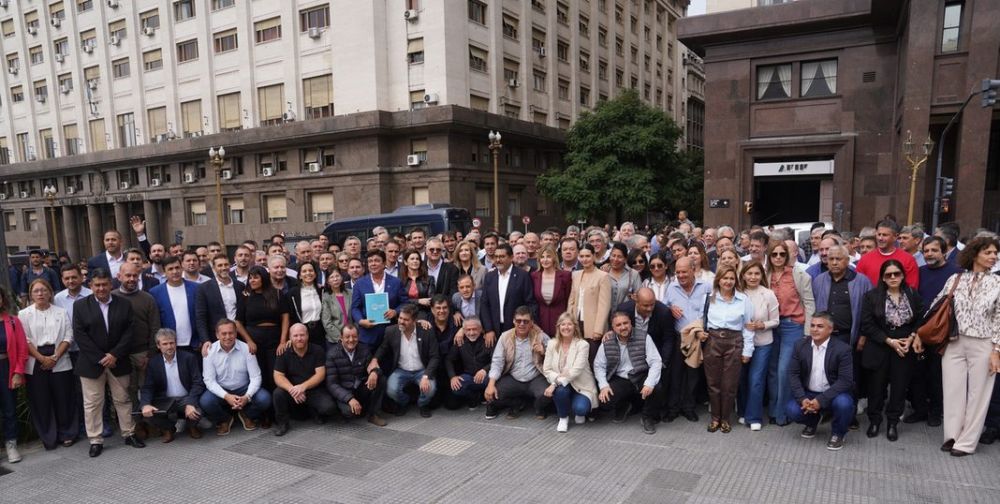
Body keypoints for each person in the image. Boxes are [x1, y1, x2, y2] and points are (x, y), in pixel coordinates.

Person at [927, 236, 1000, 456]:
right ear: (975, 253)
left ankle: (967, 443)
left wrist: (997, 351)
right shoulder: (955, 279)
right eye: (988, 252)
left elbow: (999, 317)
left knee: (979, 395)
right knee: (952, 390)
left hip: (984, 343)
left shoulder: (997, 283)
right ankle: (952, 436)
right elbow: (937, 305)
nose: (993, 256)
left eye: (995, 253)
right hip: (954, 342)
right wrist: (920, 333)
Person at [72, 269, 145, 457]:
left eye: (104, 284)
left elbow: (129, 332)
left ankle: (129, 433)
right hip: (91, 363)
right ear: (91, 286)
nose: (101, 288)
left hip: (118, 362)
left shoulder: (124, 304)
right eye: (97, 285)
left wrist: (114, 354)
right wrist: (100, 357)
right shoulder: (80, 306)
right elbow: (80, 335)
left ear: (111, 284)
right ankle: (95, 440)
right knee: (93, 403)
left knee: (123, 399)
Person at [860, 260, 924, 442]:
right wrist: (889, 341)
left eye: (897, 273)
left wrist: (912, 337)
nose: (893, 277)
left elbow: (921, 318)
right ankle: (874, 421)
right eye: (889, 275)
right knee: (876, 387)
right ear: (883, 277)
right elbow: (867, 324)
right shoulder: (871, 296)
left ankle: (893, 423)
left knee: (899, 387)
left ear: (903, 275)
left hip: (904, 345)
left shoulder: (912, 294)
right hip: (881, 343)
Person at [907, 236, 962, 426]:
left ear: (944, 251)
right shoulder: (919, 271)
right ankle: (920, 409)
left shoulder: (957, 273)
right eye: (926, 251)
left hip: (943, 329)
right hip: (918, 329)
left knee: (937, 374)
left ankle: (936, 411)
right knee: (917, 372)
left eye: (934, 250)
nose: (929, 254)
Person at [19, 279, 77, 451]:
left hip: (59, 357)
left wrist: (55, 357)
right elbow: (25, 340)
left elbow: (68, 335)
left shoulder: (60, 312)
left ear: (50, 292)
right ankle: (49, 437)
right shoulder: (24, 314)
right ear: (31, 294)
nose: (40, 294)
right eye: (36, 291)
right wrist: (41, 359)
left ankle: (67, 433)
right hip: (35, 359)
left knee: (63, 398)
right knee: (41, 401)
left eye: (44, 290)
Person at [785, 312, 855, 451]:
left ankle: (838, 433)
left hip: (833, 395)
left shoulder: (843, 349)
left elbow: (845, 381)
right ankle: (812, 422)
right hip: (809, 394)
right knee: (791, 410)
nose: (814, 329)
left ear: (830, 329)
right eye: (812, 325)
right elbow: (793, 374)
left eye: (820, 326)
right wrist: (802, 398)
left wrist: (821, 400)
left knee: (844, 404)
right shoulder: (800, 345)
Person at [766, 240, 815, 426]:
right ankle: (772, 409)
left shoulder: (799, 275)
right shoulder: (765, 274)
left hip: (792, 325)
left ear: (788, 256)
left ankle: (782, 413)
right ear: (769, 256)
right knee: (772, 371)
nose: (778, 258)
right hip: (771, 326)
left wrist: (808, 332)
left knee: (784, 370)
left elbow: (809, 303)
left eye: (782, 254)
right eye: (774, 254)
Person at [700, 265, 755, 433]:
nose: (728, 281)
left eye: (731, 278)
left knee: (729, 384)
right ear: (719, 280)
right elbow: (701, 321)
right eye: (725, 278)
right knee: (713, 383)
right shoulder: (708, 298)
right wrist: (701, 335)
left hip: (734, 342)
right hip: (713, 341)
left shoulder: (743, 299)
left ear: (736, 280)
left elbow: (748, 327)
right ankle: (715, 418)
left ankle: (725, 418)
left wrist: (747, 351)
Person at [594, 311, 664, 434]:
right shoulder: (607, 341)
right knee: (605, 400)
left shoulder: (644, 337)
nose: (623, 327)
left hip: (641, 375)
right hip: (621, 379)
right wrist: (603, 385)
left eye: (625, 323)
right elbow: (599, 365)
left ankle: (647, 417)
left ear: (630, 323)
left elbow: (656, 362)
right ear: (613, 327)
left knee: (656, 387)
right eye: (619, 325)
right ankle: (624, 405)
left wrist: (649, 383)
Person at [113, 262, 162, 433]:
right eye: (128, 275)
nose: (132, 279)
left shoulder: (147, 298)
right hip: (121, 355)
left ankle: (152, 422)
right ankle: (137, 424)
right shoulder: (112, 298)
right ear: (119, 276)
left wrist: (150, 354)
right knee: (129, 392)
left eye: (135, 275)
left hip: (143, 353)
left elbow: (155, 327)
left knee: (148, 388)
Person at [139, 329, 212, 443]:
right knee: (148, 413)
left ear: (175, 343)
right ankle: (168, 429)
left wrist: (190, 402)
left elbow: (198, 382)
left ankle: (192, 426)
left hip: (185, 398)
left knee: (197, 410)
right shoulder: (153, 363)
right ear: (158, 346)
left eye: (172, 343)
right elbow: (148, 387)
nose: (169, 346)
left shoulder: (189, 358)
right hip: (166, 400)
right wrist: (145, 405)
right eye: (165, 344)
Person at [200, 319, 272, 435]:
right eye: (224, 333)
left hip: (244, 388)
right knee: (205, 401)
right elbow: (209, 381)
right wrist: (226, 396)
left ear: (236, 333)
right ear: (217, 335)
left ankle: (246, 414)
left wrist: (247, 397)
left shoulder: (246, 348)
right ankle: (225, 419)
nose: (228, 337)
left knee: (265, 399)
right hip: (222, 390)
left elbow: (256, 377)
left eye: (231, 333)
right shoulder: (210, 351)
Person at [369, 304, 439, 418]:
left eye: (406, 320)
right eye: (400, 318)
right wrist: (374, 359)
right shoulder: (391, 331)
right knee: (391, 389)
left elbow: (435, 356)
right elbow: (383, 348)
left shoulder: (426, 331)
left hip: (422, 370)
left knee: (430, 388)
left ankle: (422, 404)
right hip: (401, 370)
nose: (401, 322)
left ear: (415, 321)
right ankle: (404, 403)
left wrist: (426, 376)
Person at [484, 306, 551, 420]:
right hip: (513, 377)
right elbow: (497, 361)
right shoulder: (505, 337)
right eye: (518, 321)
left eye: (526, 321)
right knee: (493, 394)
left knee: (547, 394)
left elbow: (556, 358)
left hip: (535, 378)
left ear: (532, 323)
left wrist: (544, 352)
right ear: (514, 321)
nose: (522, 324)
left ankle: (538, 407)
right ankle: (515, 403)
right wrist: (491, 384)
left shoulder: (541, 336)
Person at [736, 262, 778, 431]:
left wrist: (763, 325)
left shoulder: (768, 294)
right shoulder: (738, 293)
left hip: (763, 343)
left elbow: (776, 321)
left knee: (756, 380)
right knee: (742, 379)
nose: (753, 277)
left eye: (756, 274)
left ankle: (754, 417)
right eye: (749, 273)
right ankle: (743, 412)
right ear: (743, 275)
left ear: (761, 275)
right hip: (741, 342)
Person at [272, 323, 335, 436]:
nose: (299, 338)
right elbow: (278, 376)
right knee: (278, 393)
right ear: (290, 337)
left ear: (307, 336)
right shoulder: (284, 352)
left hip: (313, 390)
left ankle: (313, 411)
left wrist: (303, 387)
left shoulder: (317, 350)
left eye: (302, 335)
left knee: (328, 407)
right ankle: (282, 423)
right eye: (295, 336)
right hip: (292, 391)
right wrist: (292, 389)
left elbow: (320, 374)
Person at [237, 265, 290, 399]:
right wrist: (249, 341)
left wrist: (283, 341)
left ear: (264, 279)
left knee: (275, 374)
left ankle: (277, 411)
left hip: (275, 341)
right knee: (258, 375)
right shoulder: (245, 296)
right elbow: (238, 322)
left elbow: (285, 317)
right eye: (250, 278)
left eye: (256, 277)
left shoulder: (277, 294)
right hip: (254, 341)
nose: (252, 281)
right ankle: (263, 413)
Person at [543, 314, 597, 433]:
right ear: (558, 327)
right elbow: (546, 369)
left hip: (581, 385)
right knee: (561, 391)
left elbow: (576, 371)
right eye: (563, 324)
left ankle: (576, 407)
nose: (566, 327)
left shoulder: (582, 345)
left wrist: (554, 383)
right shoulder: (552, 343)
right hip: (563, 385)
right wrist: (557, 379)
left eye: (569, 324)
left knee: (580, 409)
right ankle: (563, 418)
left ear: (575, 327)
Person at [325, 324, 386, 426]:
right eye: (347, 337)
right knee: (349, 413)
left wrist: (374, 372)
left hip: (359, 387)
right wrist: (349, 398)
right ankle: (344, 410)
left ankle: (373, 415)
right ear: (341, 338)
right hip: (344, 390)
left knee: (381, 379)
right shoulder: (332, 354)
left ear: (359, 337)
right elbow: (332, 384)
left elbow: (373, 366)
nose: (351, 340)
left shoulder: (364, 349)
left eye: (354, 336)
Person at [480, 244, 537, 348]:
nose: (498, 260)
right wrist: (488, 329)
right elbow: (484, 304)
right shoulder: (489, 277)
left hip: (517, 330)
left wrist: (525, 326)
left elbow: (530, 303)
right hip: (494, 332)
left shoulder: (522, 276)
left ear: (511, 258)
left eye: (502, 256)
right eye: (496, 257)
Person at [567, 243, 612, 362]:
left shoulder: (603, 276)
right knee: (577, 358)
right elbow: (571, 300)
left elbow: (604, 305)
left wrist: (598, 329)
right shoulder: (576, 275)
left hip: (593, 325)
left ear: (593, 256)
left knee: (593, 358)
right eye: (581, 256)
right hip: (577, 322)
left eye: (587, 256)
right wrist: (569, 320)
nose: (584, 259)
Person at [352, 250, 404, 349]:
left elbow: (405, 303)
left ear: (384, 263)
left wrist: (395, 312)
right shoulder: (360, 283)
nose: (373, 264)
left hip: (391, 333)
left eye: (376, 260)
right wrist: (361, 321)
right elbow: (355, 308)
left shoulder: (396, 282)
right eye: (370, 261)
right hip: (368, 335)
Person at [195, 254, 246, 353]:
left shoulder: (240, 286)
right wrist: (205, 340)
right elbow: (201, 317)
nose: (223, 268)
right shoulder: (204, 288)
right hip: (215, 338)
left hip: (238, 336)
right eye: (220, 265)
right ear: (214, 268)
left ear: (230, 266)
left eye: (226, 265)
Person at [149, 256, 200, 354]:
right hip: (169, 346)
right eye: (170, 269)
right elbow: (155, 321)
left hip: (194, 344)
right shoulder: (155, 292)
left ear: (182, 268)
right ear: (164, 272)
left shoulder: (196, 288)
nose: (175, 271)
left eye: (177, 268)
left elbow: (201, 316)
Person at [0, 286, 27, 462]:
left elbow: (22, 349)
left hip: (6, 368)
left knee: (9, 409)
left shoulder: (12, 321)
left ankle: (11, 444)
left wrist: (18, 372)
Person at [855, 220, 919, 290]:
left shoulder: (908, 259)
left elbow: (912, 289)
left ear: (895, 237)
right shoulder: (865, 259)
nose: (880, 238)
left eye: (885, 235)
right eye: (879, 234)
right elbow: (858, 286)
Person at [446, 317, 492, 409]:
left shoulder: (488, 340)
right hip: (469, 377)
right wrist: (452, 377)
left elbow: (497, 360)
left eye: (474, 329)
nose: (471, 333)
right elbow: (449, 359)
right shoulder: (460, 341)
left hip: (486, 376)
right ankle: (474, 397)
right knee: (457, 387)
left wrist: (484, 370)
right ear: (463, 330)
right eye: (468, 330)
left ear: (480, 329)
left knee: (494, 381)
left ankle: (484, 394)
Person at [531, 245, 572, 338]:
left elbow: (568, 299)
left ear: (554, 258)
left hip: (560, 322)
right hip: (540, 323)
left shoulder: (565, 276)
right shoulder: (534, 276)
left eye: (548, 256)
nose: (545, 260)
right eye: (542, 257)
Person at [288, 261, 327, 348]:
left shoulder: (322, 291)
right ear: (300, 276)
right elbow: (289, 316)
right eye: (304, 271)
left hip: (320, 332)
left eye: (311, 270)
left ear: (315, 274)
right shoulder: (293, 293)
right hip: (301, 333)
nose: (308, 273)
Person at [607, 243, 643, 315]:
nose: (615, 259)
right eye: (613, 256)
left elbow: (639, 296)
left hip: (626, 316)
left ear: (625, 259)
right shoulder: (604, 272)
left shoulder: (633, 274)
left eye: (619, 257)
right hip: (606, 316)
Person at [320, 268, 352, 346]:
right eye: (332, 277)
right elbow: (327, 323)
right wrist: (341, 338)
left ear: (341, 278)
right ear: (328, 281)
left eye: (337, 276)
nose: (335, 279)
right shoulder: (326, 297)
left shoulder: (350, 293)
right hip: (335, 340)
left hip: (352, 336)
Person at [401, 249, 435, 320]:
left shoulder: (429, 279)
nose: (415, 261)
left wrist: (412, 301)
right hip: (405, 313)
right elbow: (401, 300)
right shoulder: (400, 281)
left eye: (417, 259)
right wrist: (419, 301)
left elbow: (430, 300)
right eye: (412, 259)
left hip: (424, 313)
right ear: (405, 262)